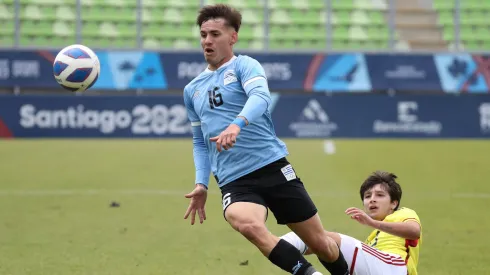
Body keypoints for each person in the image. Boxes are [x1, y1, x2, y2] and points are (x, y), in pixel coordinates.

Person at [182, 4, 349, 275]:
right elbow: (200, 142)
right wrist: (201, 183)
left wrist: (236, 125)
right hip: (235, 180)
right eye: (203, 34)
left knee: (322, 245)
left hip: (272, 166)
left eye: (215, 34)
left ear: (232, 37)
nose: (207, 41)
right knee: (249, 225)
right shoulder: (192, 90)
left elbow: (260, 97)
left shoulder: (245, 66)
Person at [280, 171, 422, 275]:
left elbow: (414, 231)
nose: (372, 199)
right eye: (367, 196)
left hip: (396, 268)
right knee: (322, 244)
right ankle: (282, 248)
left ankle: (278, 245)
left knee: (331, 239)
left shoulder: (403, 213)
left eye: (380, 195)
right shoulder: (372, 239)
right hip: (382, 266)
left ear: (393, 203)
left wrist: (373, 223)